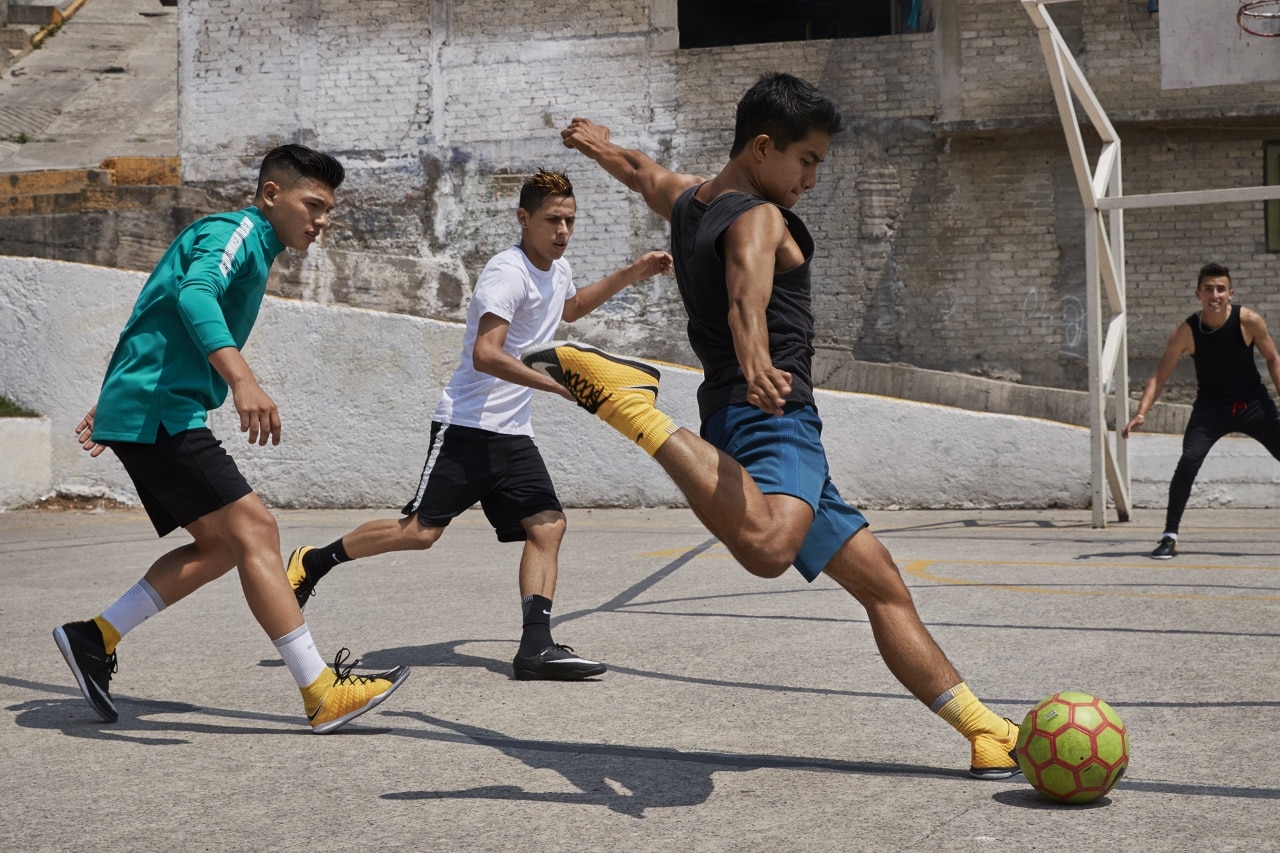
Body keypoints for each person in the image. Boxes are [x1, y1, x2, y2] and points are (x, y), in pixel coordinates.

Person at [522, 72, 1020, 778]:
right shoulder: (760, 216)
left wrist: (600, 145)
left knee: (881, 583)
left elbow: (641, 173)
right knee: (768, 547)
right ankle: (630, 406)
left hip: (743, 417)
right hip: (774, 414)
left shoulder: (691, 198)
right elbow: (745, 298)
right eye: (806, 160)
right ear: (762, 148)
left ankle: (984, 729)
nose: (811, 179)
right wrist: (757, 362)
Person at [55, 144, 410, 733]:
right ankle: (321, 691)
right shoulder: (238, 232)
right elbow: (193, 294)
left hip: (152, 404)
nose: (321, 220)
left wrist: (119, 394)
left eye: (328, 210)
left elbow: (155, 311)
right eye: (313, 205)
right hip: (164, 411)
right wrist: (242, 381)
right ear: (272, 194)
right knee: (256, 531)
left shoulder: (252, 246)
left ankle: (94, 638)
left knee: (221, 547)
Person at [283, 169, 672, 681]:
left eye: (570, 221)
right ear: (524, 218)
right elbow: (486, 354)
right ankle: (314, 561)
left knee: (548, 525)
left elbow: (571, 307)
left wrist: (632, 272)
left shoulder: (557, 269)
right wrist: (555, 384)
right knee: (421, 533)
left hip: (513, 432)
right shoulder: (506, 272)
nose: (563, 230)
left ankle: (536, 648)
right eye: (553, 220)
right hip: (467, 426)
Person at [1122, 262, 1280, 559]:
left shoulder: (1249, 321)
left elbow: (1273, 359)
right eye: (1209, 289)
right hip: (1211, 407)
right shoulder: (1186, 331)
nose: (1214, 295)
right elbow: (1159, 376)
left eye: (1221, 289)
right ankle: (1169, 537)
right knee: (1188, 462)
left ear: (1230, 294)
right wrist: (1141, 411)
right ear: (1199, 294)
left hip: (1252, 403)